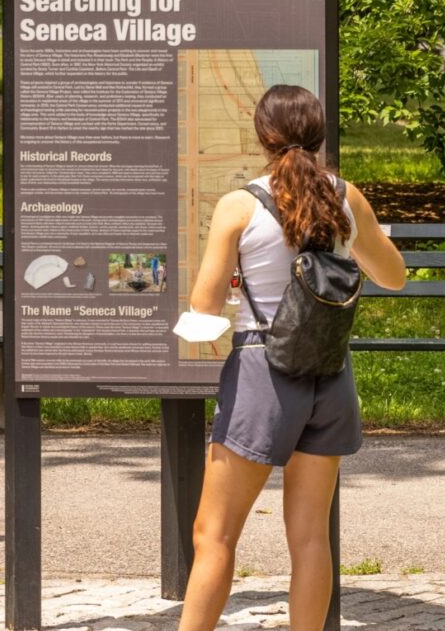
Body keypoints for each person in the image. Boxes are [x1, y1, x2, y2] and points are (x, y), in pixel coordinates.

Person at [177, 85, 406, 631]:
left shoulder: (241, 204)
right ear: (319, 132)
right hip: (331, 372)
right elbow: (393, 276)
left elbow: (204, 305)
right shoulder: (347, 198)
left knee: (215, 535)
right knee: (309, 538)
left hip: (263, 370)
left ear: (263, 136)